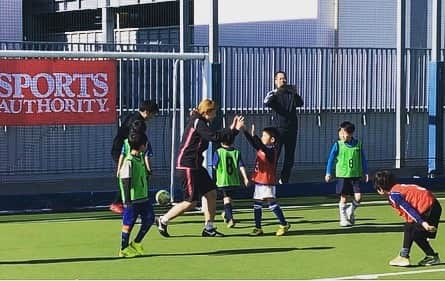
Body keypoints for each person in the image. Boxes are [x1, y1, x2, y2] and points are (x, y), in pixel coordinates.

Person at [155, 99, 245, 237]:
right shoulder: (198, 122)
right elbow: (214, 137)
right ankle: (163, 220)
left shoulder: (201, 121)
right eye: (214, 112)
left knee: (211, 193)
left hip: (196, 165)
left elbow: (215, 135)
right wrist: (234, 130)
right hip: (187, 165)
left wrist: (231, 130)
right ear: (207, 111)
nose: (215, 115)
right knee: (190, 202)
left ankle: (209, 228)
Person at [373, 170, 441, 267]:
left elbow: (409, 209)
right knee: (410, 228)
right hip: (433, 205)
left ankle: (412, 256)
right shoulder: (398, 188)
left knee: (413, 231)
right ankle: (405, 255)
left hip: (428, 207)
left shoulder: (394, 195)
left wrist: (423, 223)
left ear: (380, 189)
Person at [110, 100, 159, 214]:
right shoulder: (138, 122)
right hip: (123, 151)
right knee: (127, 176)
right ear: (146, 112)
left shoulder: (135, 118)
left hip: (124, 150)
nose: (153, 117)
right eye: (153, 114)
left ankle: (125, 203)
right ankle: (121, 203)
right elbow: (132, 139)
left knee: (131, 176)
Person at [243, 124, 290, 236]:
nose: (262, 137)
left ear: (272, 140)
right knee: (257, 204)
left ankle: (284, 224)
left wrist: (254, 136)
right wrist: (245, 130)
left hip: (267, 181)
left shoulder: (271, 151)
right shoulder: (263, 147)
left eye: (264, 136)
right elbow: (254, 144)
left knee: (271, 203)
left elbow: (260, 145)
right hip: (259, 181)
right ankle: (258, 228)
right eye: (262, 135)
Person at [117, 132, 154, 258]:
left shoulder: (141, 157)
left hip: (143, 197)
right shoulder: (129, 161)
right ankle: (123, 248)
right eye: (146, 144)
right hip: (132, 200)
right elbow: (125, 179)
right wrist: (127, 200)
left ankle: (136, 242)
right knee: (129, 223)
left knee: (149, 219)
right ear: (142, 145)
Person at [325, 121, 368, 227]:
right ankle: (343, 218)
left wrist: (366, 172)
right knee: (343, 197)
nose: (342, 136)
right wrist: (328, 172)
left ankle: (350, 211)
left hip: (355, 175)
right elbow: (331, 159)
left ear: (351, 133)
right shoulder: (337, 144)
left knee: (358, 197)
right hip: (343, 175)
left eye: (344, 134)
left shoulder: (358, 144)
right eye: (340, 134)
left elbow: (363, 159)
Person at [264, 70, 304, 184]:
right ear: (275, 81)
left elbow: (300, 103)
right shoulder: (274, 94)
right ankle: (270, 178)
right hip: (278, 129)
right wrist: (276, 92)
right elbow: (266, 102)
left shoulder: (291, 94)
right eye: (280, 78)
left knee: (289, 157)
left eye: (284, 78)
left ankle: (284, 179)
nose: (283, 80)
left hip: (292, 129)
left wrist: (295, 93)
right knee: (275, 155)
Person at [212, 133, 249, 228]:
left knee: (227, 200)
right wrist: (245, 178)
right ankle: (228, 216)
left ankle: (228, 216)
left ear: (221, 142)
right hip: (234, 181)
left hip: (223, 180)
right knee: (228, 199)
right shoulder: (236, 152)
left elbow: (214, 166)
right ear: (232, 142)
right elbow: (241, 166)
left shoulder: (218, 152)